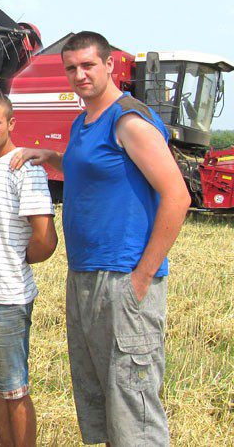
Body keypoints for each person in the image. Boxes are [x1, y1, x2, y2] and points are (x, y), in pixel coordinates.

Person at [10, 32, 191, 446]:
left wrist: (141, 277)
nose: (80, 75)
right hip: (85, 276)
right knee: (102, 399)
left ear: (109, 65)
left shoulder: (127, 120)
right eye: (71, 68)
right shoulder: (84, 122)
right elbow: (97, 169)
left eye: (88, 65)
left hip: (123, 277)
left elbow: (177, 196)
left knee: (133, 407)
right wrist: (52, 158)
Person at [0, 94, 57, 447]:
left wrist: (15, 259)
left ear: (11, 124)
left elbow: (45, 239)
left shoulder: (24, 168)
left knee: (14, 388)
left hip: (8, 297)